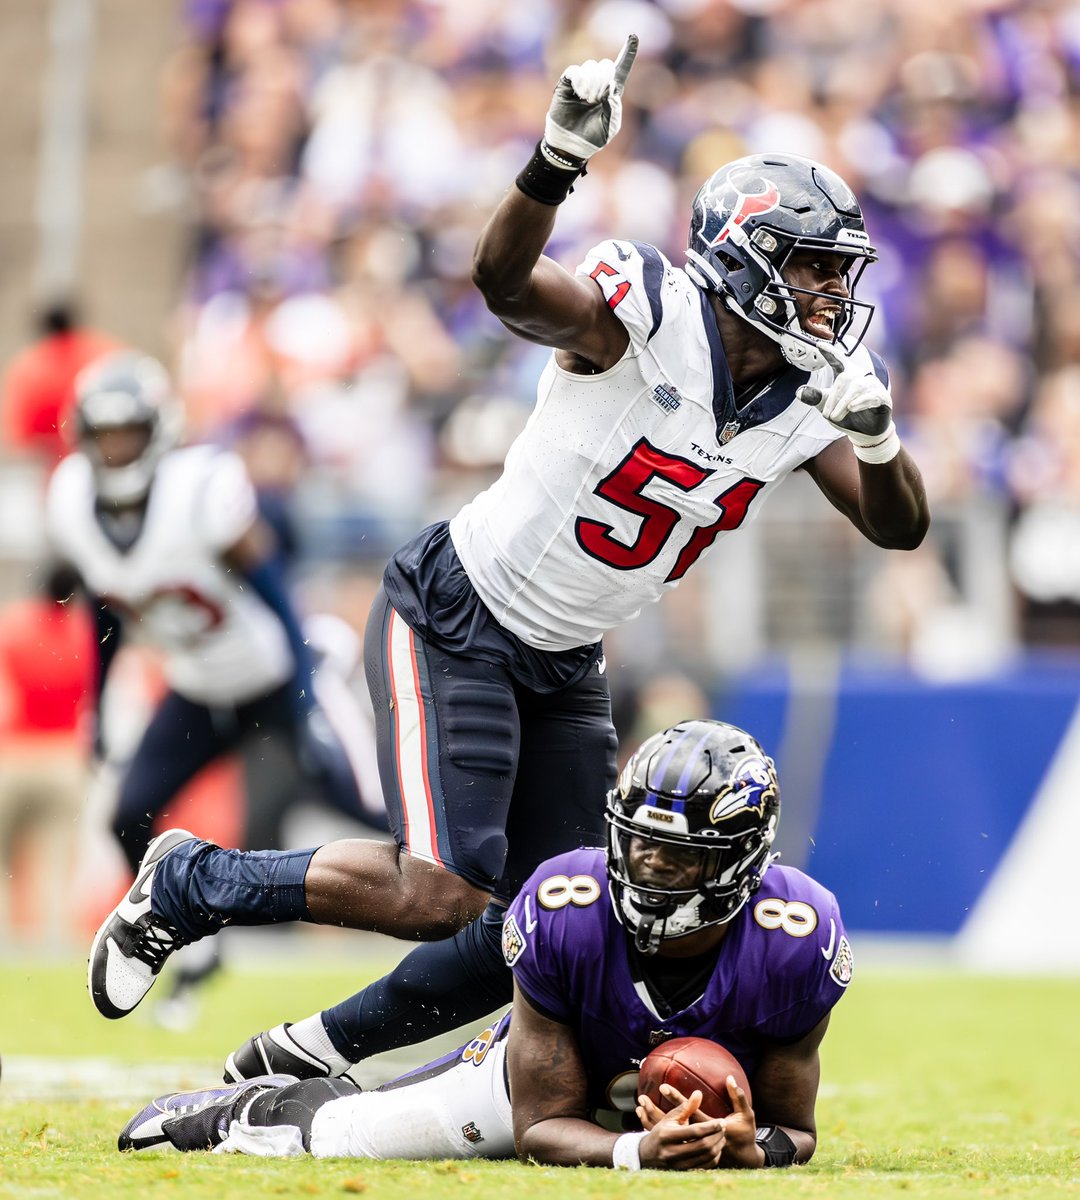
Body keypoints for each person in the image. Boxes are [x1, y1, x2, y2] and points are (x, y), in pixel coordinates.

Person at [87, 34, 925, 1086]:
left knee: (561, 920)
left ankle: (305, 1054)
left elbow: (898, 529)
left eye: (835, 273)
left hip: (568, 654)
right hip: (461, 614)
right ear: (747, 255)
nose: (827, 295)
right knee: (441, 887)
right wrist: (555, 164)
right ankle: (191, 882)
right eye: (811, 267)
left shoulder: (809, 397)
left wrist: (883, 438)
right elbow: (504, 281)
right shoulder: (648, 315)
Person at [116, 719, 852, 1171]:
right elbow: (537, 1125)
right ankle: (227, 1114)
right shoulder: (570, 906)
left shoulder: (796, 939)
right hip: (545, 1093)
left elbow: (796, 1129)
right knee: (347, 1133)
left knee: (366, 1112)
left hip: (617, 1106)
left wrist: (752, 1151)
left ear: (743, 861)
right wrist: (636, 1152)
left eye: (680, 858)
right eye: (640, 848)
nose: (651, 871)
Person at [46, 350, 386, 1010]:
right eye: (104, 434)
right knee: (124, 815)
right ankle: (189, 941)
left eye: (128, 432)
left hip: (275, 673)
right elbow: (105, 612)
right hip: (197, 683)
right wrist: (96, 704)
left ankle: (481, 884)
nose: (115, 449)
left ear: (157, 430)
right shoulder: (73, 504)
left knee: (362, 804)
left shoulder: (197, 489)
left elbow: (274, 588)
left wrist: (304, 696)